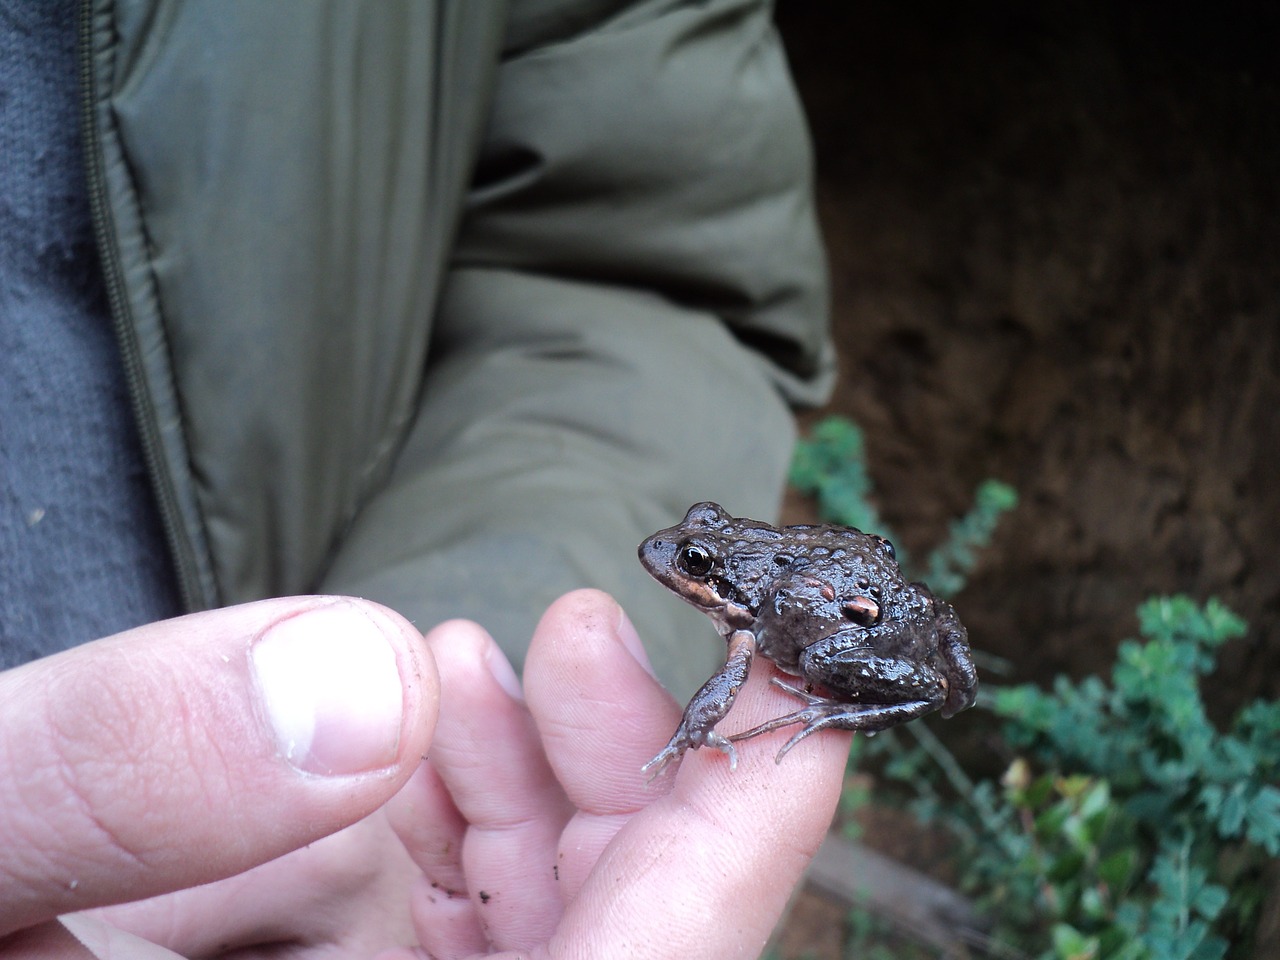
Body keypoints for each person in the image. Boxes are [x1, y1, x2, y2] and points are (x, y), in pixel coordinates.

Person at [1, 1, 841, 956]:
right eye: (691, 550)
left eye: (690, 557)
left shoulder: (748, 629)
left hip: (376, 849)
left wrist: (444, 741)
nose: (665, 562)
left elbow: (629, 268)